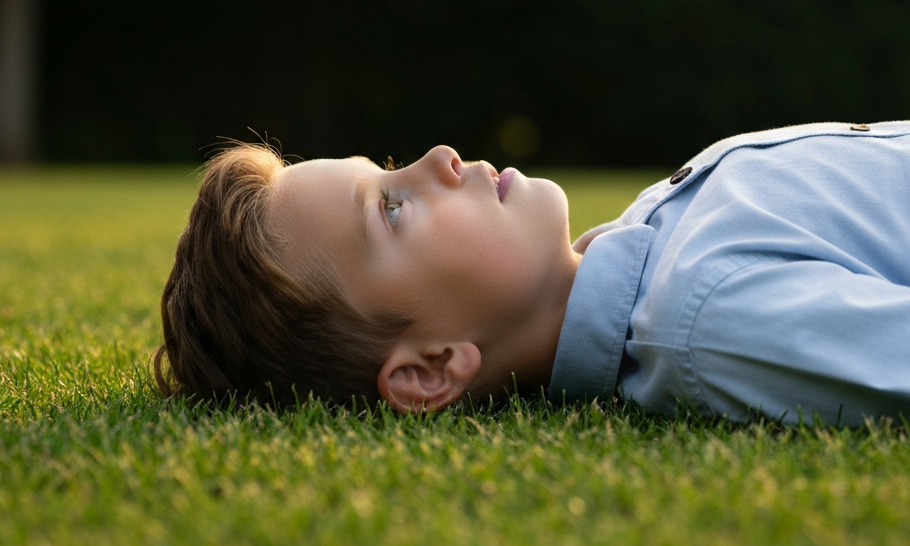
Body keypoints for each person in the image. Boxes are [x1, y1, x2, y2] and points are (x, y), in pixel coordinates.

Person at [155, 120, 910, 425]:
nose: (437, 160)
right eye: (390, 210)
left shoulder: (658, 230)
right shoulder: (710, 320)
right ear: (431, 369)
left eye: (390, 167)